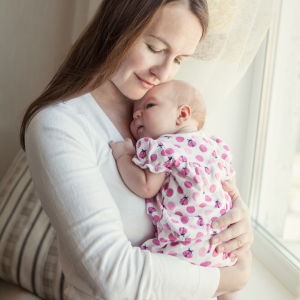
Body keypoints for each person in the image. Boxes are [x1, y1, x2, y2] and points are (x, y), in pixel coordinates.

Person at [20, 1, 253, 299]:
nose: (164, 72)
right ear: (117, 27)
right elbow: (114, 275)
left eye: (180, 59)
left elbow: (213, 198)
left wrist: (239, 222)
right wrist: (231, 278)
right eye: (155, 48)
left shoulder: (166, 114)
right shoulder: (59, 126)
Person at [109, 80, 239, 300]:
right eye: (134, 114)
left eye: (149, 106)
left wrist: (123, 156)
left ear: (182, 114)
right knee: (227, 290)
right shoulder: (216, 146)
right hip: (223, 245)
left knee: (136, 273)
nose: (136, 115)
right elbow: (231, 185)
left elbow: (146, 186)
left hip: (184, 246)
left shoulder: (164, 147)